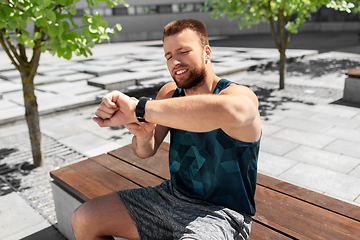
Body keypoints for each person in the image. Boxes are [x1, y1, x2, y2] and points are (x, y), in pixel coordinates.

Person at [71, 19, 262, 240]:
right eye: (169, 56)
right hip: (171, 196)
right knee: (84, 218)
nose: (175, 62)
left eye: (183, 51)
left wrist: (140, 108)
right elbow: (145, 151)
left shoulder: (237, 95)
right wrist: (143, 135)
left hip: (222, 213)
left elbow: (231, 111)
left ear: (206, 52)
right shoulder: (169, 94)